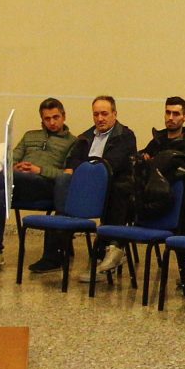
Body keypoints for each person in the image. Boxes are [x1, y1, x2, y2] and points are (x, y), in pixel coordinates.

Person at [0, 95, 70, 270]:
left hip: (46, 186)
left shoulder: (72, 142)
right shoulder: (30, 136)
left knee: (4, 179)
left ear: (63, 116)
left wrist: (38, 170)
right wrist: (16, 167)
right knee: (0, 193)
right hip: (20, 183)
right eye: (47, 119)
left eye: (56, 117)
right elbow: (12, 158)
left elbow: (66, 175)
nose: (52, 122)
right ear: (42, 120)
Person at [58, 95, 138, 277]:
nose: (100, 119)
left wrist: (90, 169)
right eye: (96, 114)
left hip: (114, 187)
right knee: (62, 181)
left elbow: (114, 164)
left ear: (114, 114)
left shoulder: (125, 136)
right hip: (86, 188)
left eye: (104, 114)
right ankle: (57, 249)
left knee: (118, 190)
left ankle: (111, 249)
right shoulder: (85, 137)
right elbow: (73, 160)